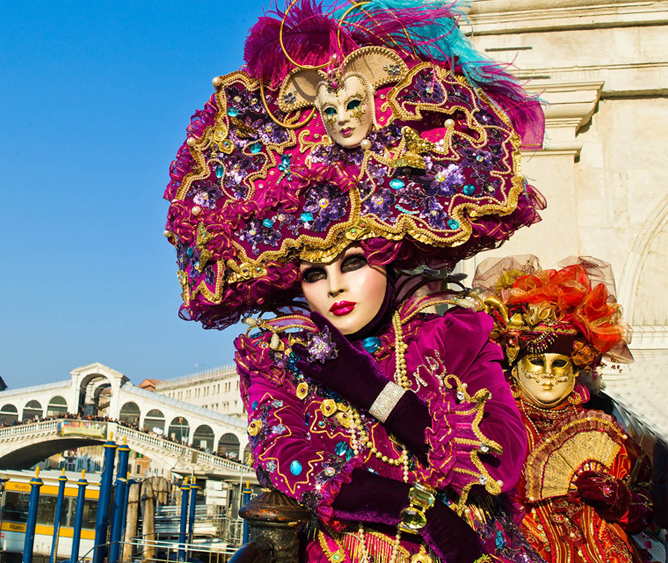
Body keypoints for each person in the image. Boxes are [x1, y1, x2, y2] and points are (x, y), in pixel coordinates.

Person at [162, 1, 549, 561]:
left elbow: (500, 457)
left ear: (388, 255)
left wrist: (376, 393)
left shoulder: (451, 331)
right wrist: (417, 510)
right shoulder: (281, 352)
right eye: (314, 275)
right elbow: (292, 461)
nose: (335, 289)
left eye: (351, 264)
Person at [473, 256, 654, 563]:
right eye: (536, 362)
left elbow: (646, 510)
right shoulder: (492, 424)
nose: (548, 374)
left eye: (559, 364)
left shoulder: (602, 427)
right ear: (513, 369)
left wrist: (618, 500)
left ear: (575, 371)